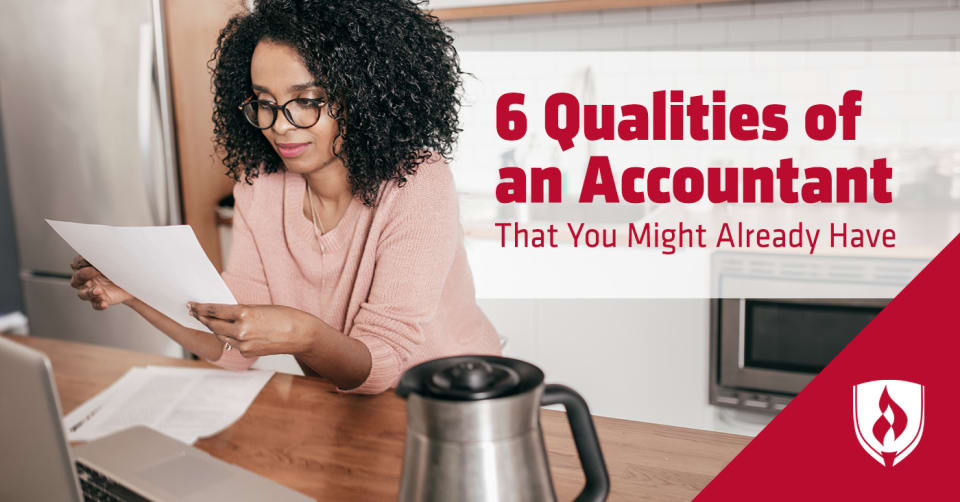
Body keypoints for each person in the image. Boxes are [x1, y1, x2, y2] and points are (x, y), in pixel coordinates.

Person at [69, 0, 501, 394]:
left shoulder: (417, 182)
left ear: (364, 95)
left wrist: (303, 335)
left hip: (456, 402)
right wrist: (135, 292)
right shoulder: (260, 188)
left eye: (306, 100)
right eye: (264, 102)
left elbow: (382, 365)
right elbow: (234, 347)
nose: (279, 125)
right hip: (348, 406)